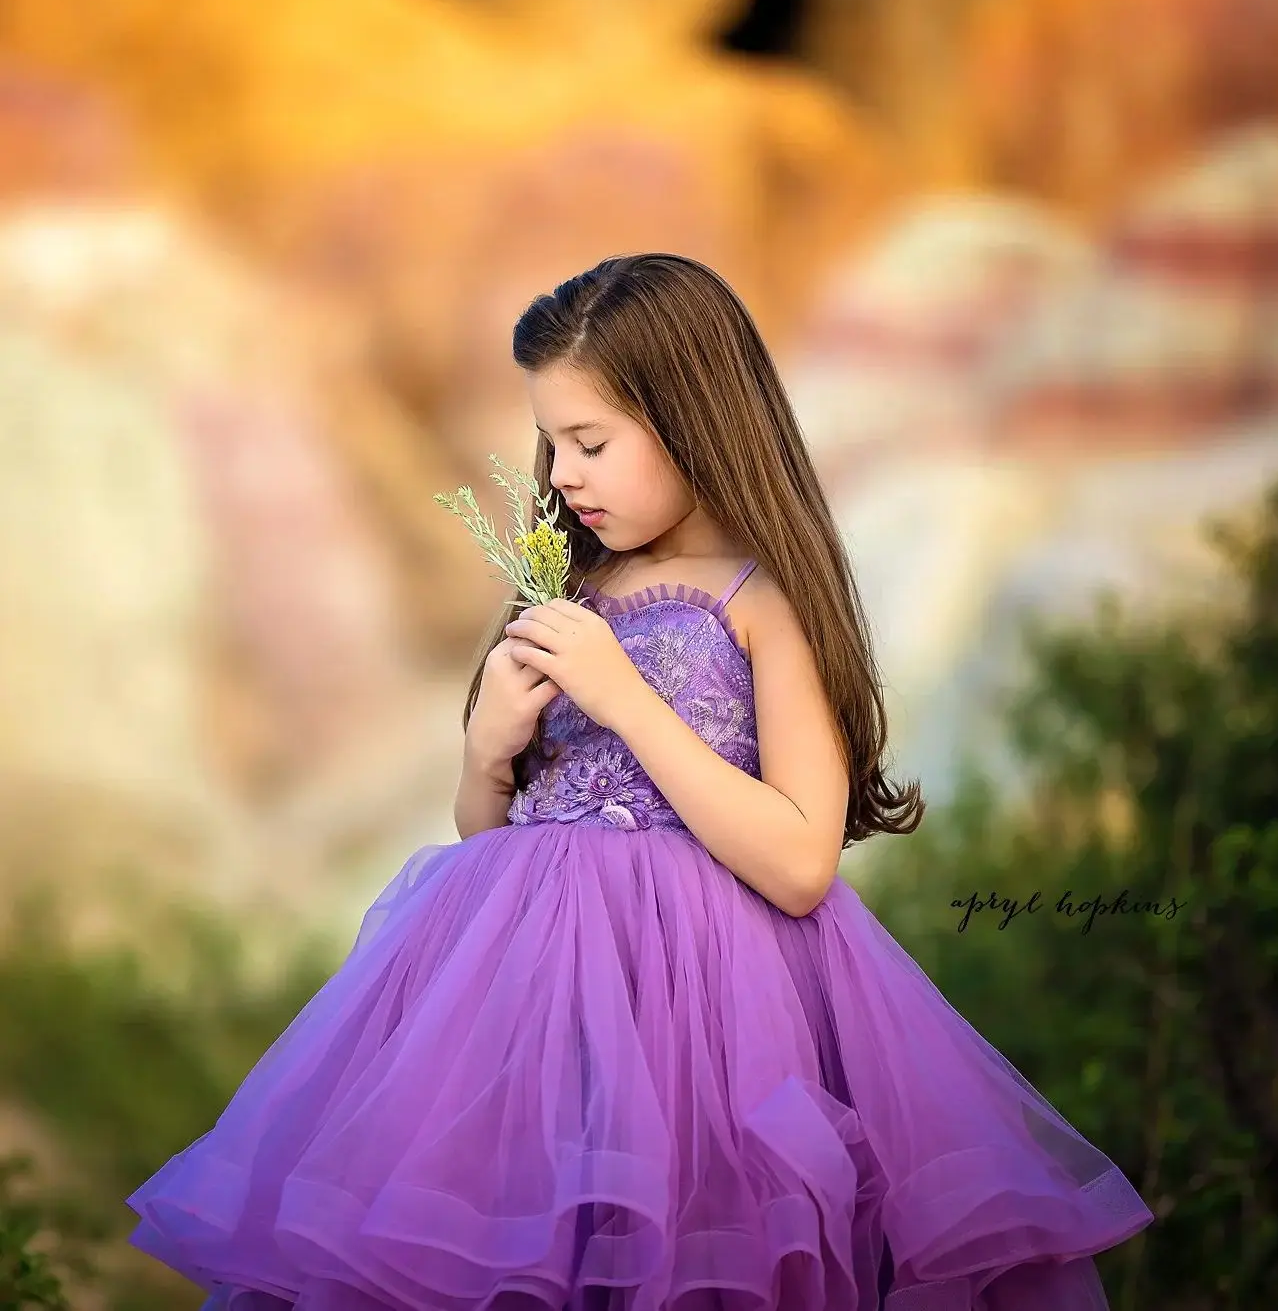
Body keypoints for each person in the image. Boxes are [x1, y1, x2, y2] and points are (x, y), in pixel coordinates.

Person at [126, 253, 1153, 1309]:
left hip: (715, 1014)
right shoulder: (573, 584)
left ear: (691, 417)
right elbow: (492, 836)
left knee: (689, 1253)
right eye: (552, 441)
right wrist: (486, 749)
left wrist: (626, 699)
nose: (562, 474)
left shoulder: (760, 598)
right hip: (524, 1010)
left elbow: (801, 860)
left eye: (591, 442)